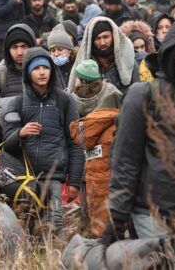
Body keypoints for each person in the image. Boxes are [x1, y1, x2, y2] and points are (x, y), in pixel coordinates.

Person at [105, 19, 175, 267]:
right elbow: (125, 159)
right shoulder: (142, 95)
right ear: (173, 54)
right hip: (151, 212)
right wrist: (117, 214)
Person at [2, 47, 84, 235]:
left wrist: (74, 182)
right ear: (28, 72)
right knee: (27, 229)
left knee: (53, 228)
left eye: (45, 68)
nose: (41, 72)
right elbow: (6, 143)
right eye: (36, 68)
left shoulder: (65, 101)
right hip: (25, 179)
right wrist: (20, 133)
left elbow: (76, 143)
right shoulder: (17, 102)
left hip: (54, 178)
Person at [69, 59, 122, 237]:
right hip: (103, 166)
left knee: (91, 215)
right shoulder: (114, 94)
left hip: (89, 165)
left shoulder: (71, 101)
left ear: (82, 81)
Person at [0, 23, 36, 148]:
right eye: (14, 47)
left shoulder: (44, 71)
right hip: (10, 147)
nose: (19, 52)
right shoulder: (0, 74)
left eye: (24, 46)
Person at [68, 17, 139, 93]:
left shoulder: (127, 60)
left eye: (106, 37)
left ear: (113, 36)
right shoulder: (87, 64)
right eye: (98, 39)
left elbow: (137, 90)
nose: (102, 43)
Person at [47, 23, 77, 89]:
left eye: (60, 49)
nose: (56, 54)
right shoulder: (48, 70)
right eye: (53, 50)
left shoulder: (78, 66)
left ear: (69, 50)